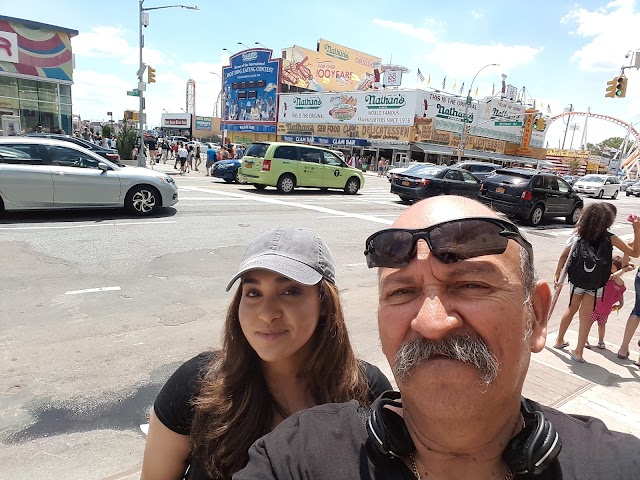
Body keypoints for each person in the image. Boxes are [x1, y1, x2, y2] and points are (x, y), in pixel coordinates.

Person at [235, 196, 640, 480]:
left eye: (470, 285)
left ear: (535, 317)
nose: (431, 323)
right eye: (402, 292)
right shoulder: (298, 456)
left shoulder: (619, 465)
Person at [140, 226, 392, 480]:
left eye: (289, 292)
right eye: (253, 293)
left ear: (324, 302)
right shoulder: (196, 386)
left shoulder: (367, 390)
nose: (266, 313)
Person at [553, 203, 640, 362]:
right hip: (596, 282)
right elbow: (635, 252)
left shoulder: (579, 233)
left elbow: (565, 255)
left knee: (571, 308)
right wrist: (637, 229)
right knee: (585, 316)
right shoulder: (610, 237)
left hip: (578, 279)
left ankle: (559, 340)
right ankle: (578, 352)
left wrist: (558, 274)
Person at [584, 256, 634, 350]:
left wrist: (621, 303)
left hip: (605, 308)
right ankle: (585, 339)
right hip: (595, 306)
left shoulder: (616, 280)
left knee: (601, 325)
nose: (609, 269)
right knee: (588, 324)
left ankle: (601, 340)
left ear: (618, 270)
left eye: (612, 267)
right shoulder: (607, 277)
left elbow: (620, 293)